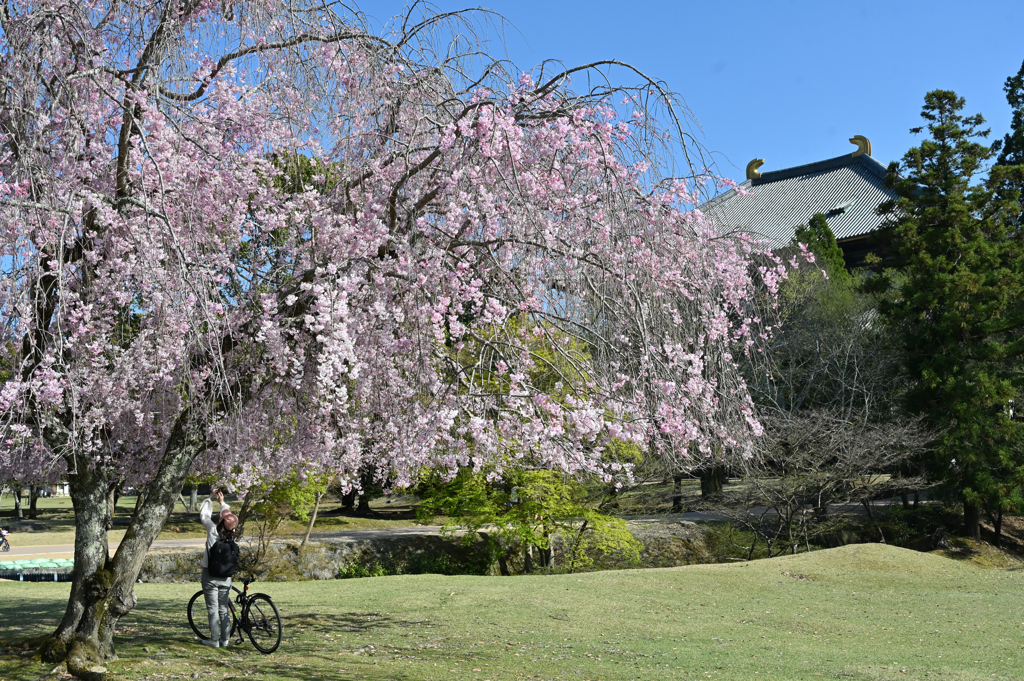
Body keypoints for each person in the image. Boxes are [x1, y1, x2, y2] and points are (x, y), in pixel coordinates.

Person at [198, 488, 239, 648]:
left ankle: (214, 640)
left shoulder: (213, 531)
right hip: (226, 577)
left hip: (210, 575)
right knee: (223, 608)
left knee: (212, 608)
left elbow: (204, 515)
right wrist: (222, 504)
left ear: (221, 521)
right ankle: (225, 639)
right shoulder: (233, 533)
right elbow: (229, 518)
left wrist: (209, 498)